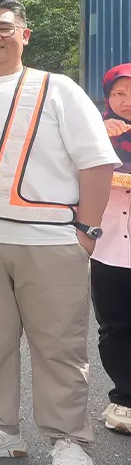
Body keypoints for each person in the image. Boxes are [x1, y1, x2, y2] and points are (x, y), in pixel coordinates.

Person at [0, 0, 118, 465]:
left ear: (25, 34)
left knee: (58, 345)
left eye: (2, 27)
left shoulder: (57, 88)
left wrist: (87, 232)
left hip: (49, 240)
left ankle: (69, 443)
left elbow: (96, 163)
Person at [94, 62, 131, 434]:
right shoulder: (94, 132)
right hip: (107, 247)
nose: (125, 101)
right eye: (118, 93)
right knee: (114, 327)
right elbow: (70, 174)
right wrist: (98, 140)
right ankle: (124, 400)